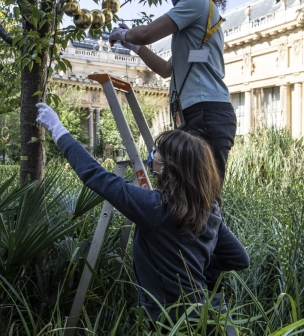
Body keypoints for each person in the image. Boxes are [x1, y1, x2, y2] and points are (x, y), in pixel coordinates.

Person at [36, 102, 250, 323]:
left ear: (169, 166)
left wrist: (58, 129)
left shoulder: (155, 207)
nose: (153, 153)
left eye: (158, 151)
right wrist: (200, 275)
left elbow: (95, 176)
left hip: (168, 321)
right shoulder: (208, 208)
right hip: (204, 316)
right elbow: (240, 258)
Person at [108, 0, 236, 182]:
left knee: (203, 199)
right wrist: (133, 45)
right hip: (203, 113)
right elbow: (167, 70)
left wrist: (124, 33)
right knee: (193, 197)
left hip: (205, 112)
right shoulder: (201, 19)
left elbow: (146, 33)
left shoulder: (196, 1)